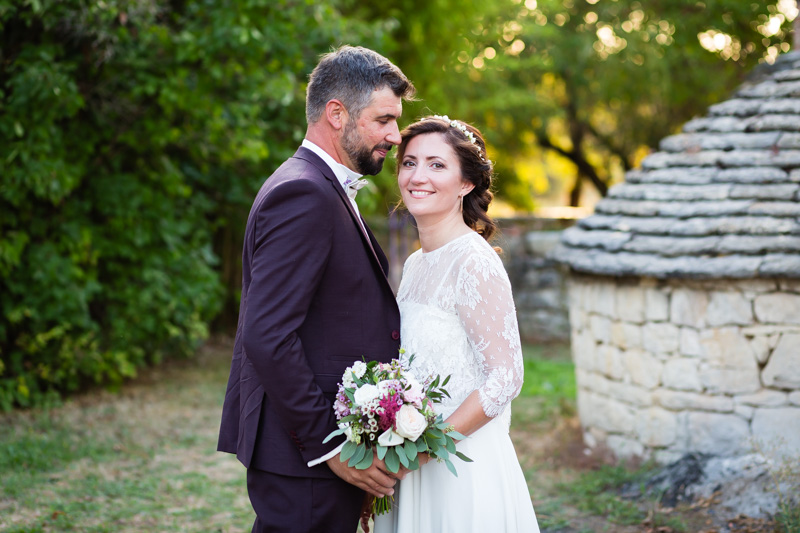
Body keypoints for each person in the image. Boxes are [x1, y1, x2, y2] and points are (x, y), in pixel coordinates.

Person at [216, 45, 415, 533]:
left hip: (307, 453)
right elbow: (266, 333)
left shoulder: (318, 185)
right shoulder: (303, 193)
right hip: (303, 453)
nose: (395, 135)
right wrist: (331, 445)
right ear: (336, 113)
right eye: (384, 119)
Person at [373, 116, 540, 532]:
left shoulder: (474, 261)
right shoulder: (415, 264)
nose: (417, 176)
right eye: (409, 163)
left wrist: (425, 450)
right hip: (408, 463)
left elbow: (505, 377)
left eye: (436, 165)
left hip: (461, 469)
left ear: (466, 183)